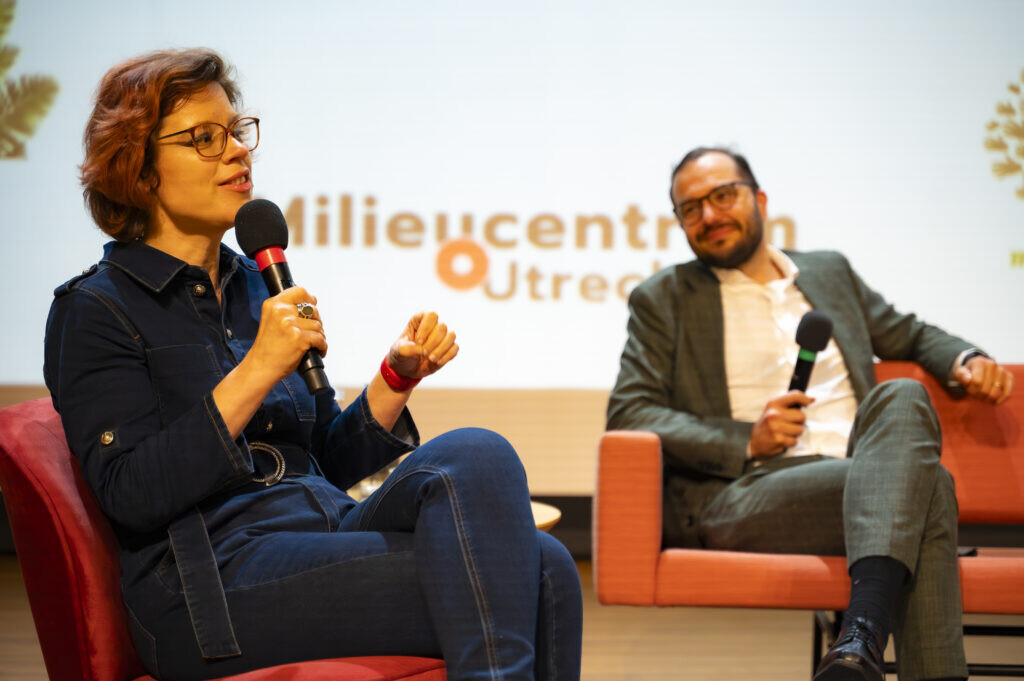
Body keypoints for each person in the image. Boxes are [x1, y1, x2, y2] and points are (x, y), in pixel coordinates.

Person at [43, 48, 582, 681]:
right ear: (138, 168)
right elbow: (132, 493)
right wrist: (259, 368)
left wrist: (394, 380)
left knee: (484, 459)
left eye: (238, 133)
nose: (239, 153)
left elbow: (328, 458)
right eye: (205, 140)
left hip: (323, 528)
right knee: (538, 569)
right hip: (212, 582)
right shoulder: (96, 309)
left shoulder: (254, 284)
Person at [607, 146, 1014, 681]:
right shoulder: (664, 297)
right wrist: (746, 438)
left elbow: (909, 333)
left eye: (722, 195)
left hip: (866, 474)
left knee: (902, 401)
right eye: (690, 208)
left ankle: (857, 643)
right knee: (927, 488)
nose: (709, 215)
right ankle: (867, 631)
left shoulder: (829, 271)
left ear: (760, 198)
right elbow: (629, 412)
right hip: (748, 491)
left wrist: (966, 359)